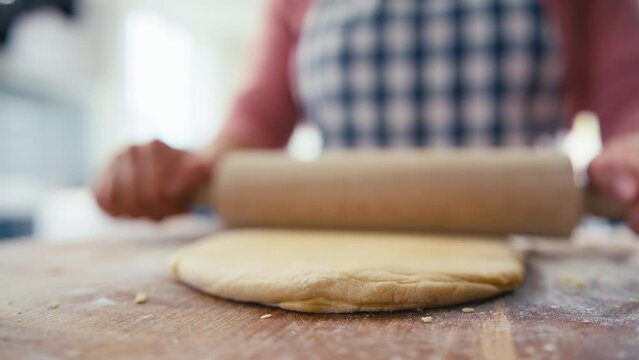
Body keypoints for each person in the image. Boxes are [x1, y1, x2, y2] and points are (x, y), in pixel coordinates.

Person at [93, 0, 639, 231]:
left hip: (528, 246)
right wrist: (184, 170)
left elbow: (627, 100)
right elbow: (256, 123)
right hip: (337, 243)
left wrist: (630, 154)